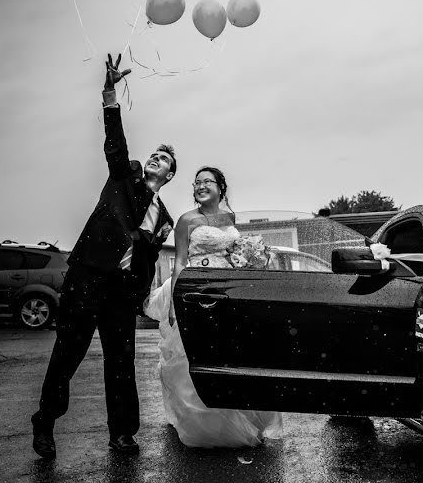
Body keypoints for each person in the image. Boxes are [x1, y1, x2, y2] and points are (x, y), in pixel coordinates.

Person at [31, 53, 176, 458]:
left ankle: (123, 432)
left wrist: (140, 297)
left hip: (121, 292)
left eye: (163, 160)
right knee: (68, 353)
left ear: (170, 174)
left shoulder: (162, 217)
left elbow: (146, 261)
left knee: (121, 361)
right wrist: (109, 93)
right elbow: (116, 141)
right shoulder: (124, 173)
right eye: (155, 154)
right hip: (88, 275)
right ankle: (45, 421)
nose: (154, 159)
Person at [143, 166, 282, 447]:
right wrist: (174, 305)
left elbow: (234, 252)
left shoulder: (228, 217)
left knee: (231, 355)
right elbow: (180, 261)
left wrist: (251, 258)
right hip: (196, 289)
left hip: (227, 291)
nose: (200, 185)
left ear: (220, 187)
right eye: (197, 182)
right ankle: (204, 425)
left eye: (207, 181)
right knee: (189, 356)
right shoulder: (187, 220)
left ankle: (241, 415)